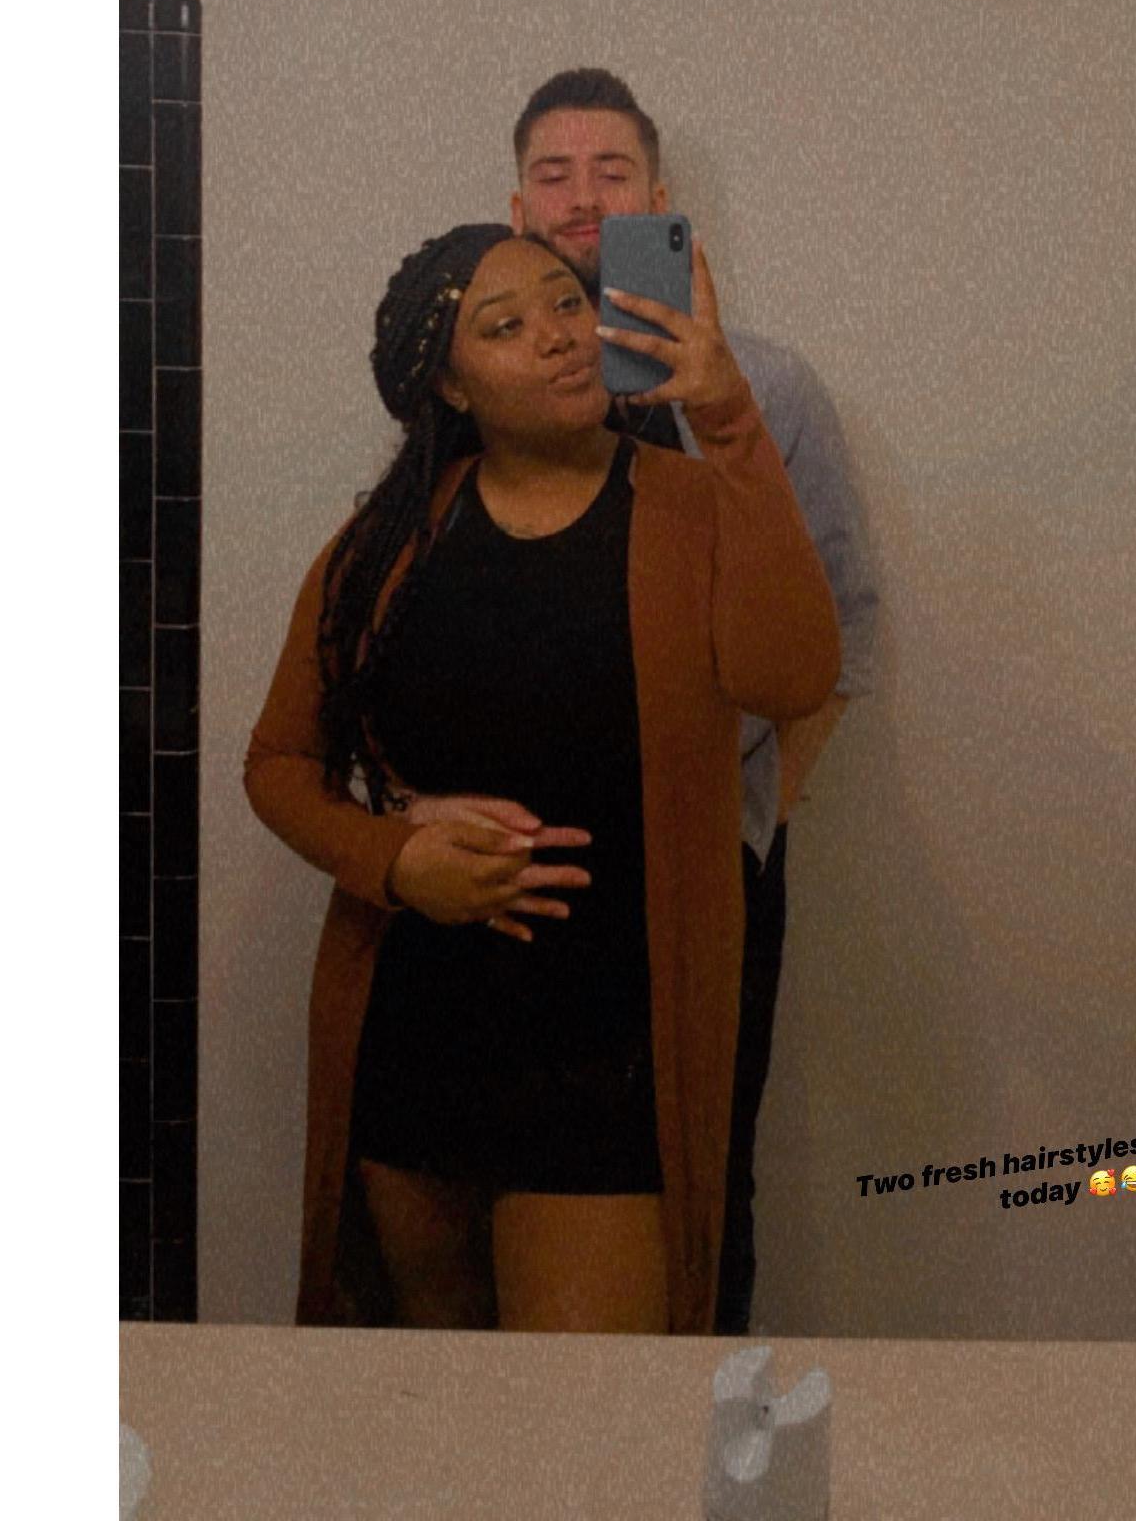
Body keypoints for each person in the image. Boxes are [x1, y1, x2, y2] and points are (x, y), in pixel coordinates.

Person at [244, 221, 839, 1335]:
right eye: (505, 326)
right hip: (417, 1041)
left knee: (585, 1421)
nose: (558, 336)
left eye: (568, 303)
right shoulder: (388, 544)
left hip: (612, 1056)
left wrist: (727, 415)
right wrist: (398, 861)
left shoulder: (688, 505)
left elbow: (796, 674)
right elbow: (278, 765)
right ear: (450, 384)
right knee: (433, 1404)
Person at [506, 69, 880, 1336]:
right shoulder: (479, 387)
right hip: (528, 857)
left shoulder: (767, 389)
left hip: (716, 855)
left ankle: (711, 1430)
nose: (583, 198)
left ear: (661, 200)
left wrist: (755, 819)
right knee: (531, 1161)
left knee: (710, 1173)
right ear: (517, 207)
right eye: (554, 175)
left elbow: (843, 625)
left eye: (611, 172)